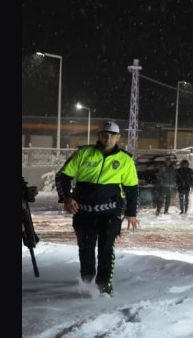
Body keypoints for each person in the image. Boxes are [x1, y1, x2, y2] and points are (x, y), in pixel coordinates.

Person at [55, 120, 139, 296]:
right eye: (103, 135)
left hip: (110, 212)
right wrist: (67, 198)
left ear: (118, 137)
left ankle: (104, 285)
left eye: (111, 135)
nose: (107, 138)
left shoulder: (125, 159)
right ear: (99, 136)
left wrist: (131, 213)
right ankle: (86, 282)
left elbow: (132, 187)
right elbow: (62, 176)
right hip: (83, 212)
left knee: (106, 248)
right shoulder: (84, 153)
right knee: (86, 248)